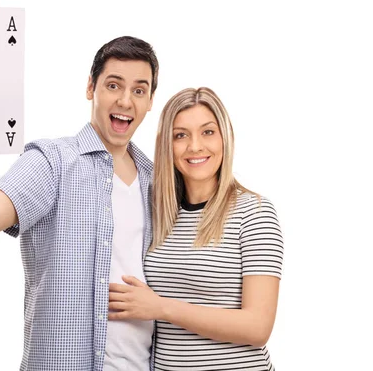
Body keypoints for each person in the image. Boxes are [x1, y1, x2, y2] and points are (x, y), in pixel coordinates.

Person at [0, 36, 160, 371]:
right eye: (113, 85)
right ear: (91, 88)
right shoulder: (51, 162)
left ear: (151, 100)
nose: (126, 100)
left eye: (139, 90)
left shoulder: (157, 181)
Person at [108, 87, 284, 370]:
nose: (195, 146)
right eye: (180, 135)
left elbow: (258, 327)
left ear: (225, 138)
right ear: (168, 145)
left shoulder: (254, 213)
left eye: (208, 132)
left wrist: (160, 307)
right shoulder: (159, 213)